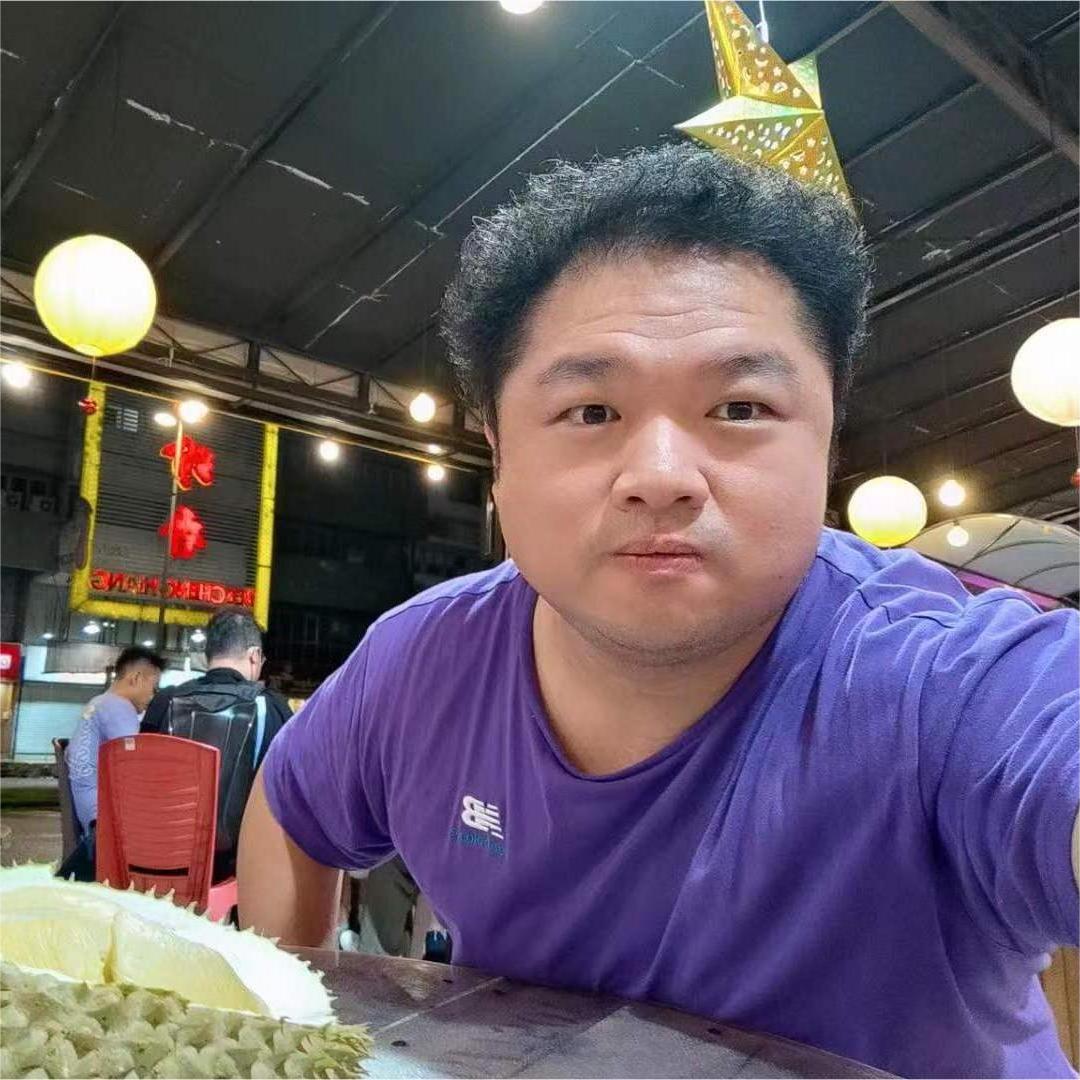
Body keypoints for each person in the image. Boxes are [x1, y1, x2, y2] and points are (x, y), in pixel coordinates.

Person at [237, 144, 1079, 1078]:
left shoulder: (940, 679)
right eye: (592, 412)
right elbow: (293, 805)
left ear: (827, 444)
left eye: (742, 407)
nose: (663, 477)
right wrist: (285, 1041)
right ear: (499, 455)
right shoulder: (421, 660)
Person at [142, 607, 290, 880]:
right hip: (241, 870)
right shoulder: (272, 708)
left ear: (207, 655)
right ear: (255, 656)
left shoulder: (164, 702)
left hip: (161, 859)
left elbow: (142, 780)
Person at [59, 645, 165, 880]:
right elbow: (135, 766)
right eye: (154, 687)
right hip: (104, 820)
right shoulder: (119, 707)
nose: (153, 696)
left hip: (88, 812)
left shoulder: (99, 702)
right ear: (136, 678)